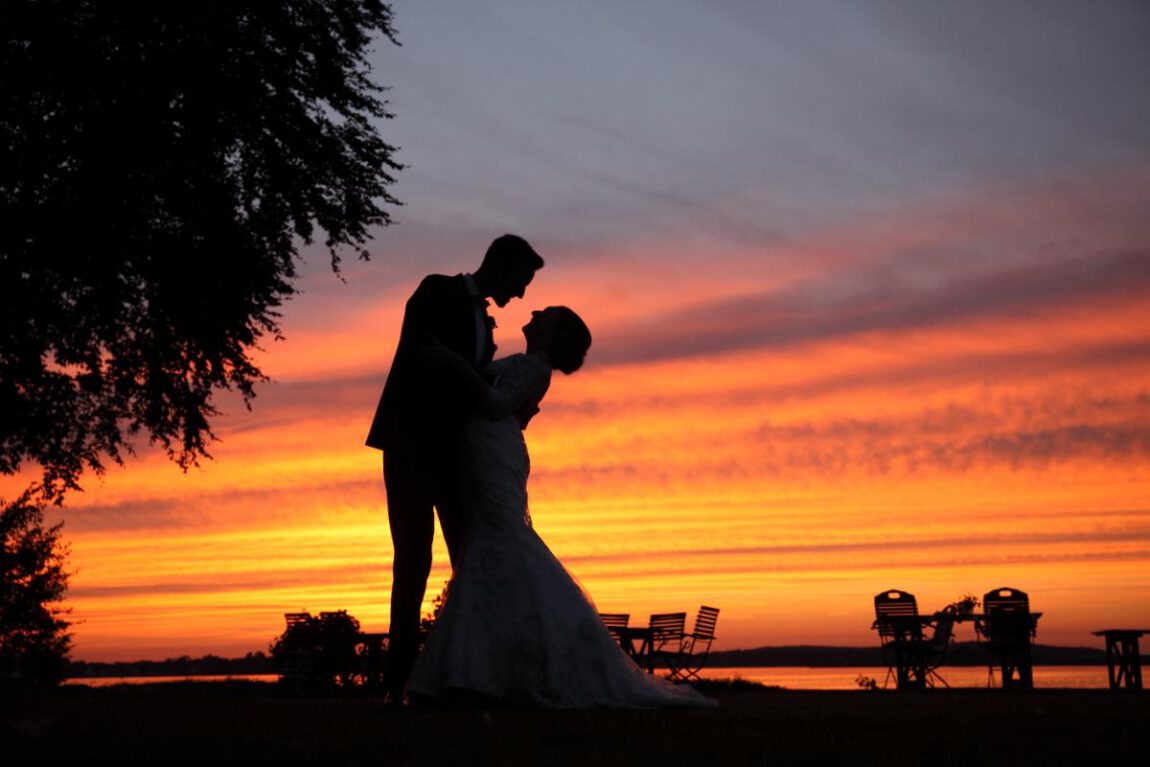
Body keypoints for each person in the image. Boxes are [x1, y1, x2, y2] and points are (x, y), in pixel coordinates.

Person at [406, 307, 716, 709]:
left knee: (499, 541)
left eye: (546, 313)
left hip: (494, 454)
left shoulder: (536, 368)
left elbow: (497, 402)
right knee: (488, 545)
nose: (535, 310)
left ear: (554, 333)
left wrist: (455, 364)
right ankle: (475, 670)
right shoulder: (527, 365)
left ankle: (475, 674)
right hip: (484, 449)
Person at [365, 234, 544, 703]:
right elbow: (428, 363)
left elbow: (473, 379)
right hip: (410, 445)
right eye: (521, 281)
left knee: (468, 560)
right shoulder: (435, 292)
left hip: (458, 457)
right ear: (501, 265)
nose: (522, 294)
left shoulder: (486, 322)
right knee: (413, 562)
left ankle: (467, 674)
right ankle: (396, 683)